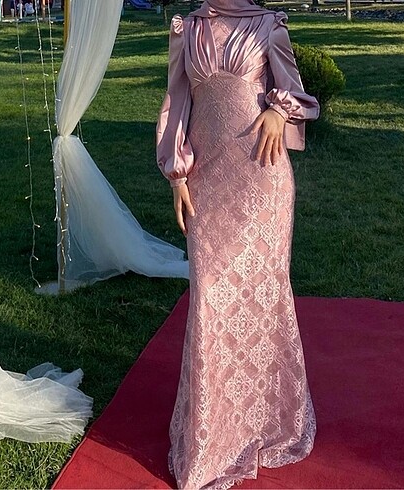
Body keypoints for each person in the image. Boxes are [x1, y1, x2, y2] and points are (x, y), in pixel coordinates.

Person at [155, 0, 320, 488]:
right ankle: (212, 434)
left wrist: (278, 112)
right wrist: (176, 175)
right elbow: (176, 103)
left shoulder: (269, 26)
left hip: (262, 177)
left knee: (263, 299)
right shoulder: (188, 30)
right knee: (211, 300)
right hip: (207, 182)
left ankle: (267, 423)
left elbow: (296, 92)